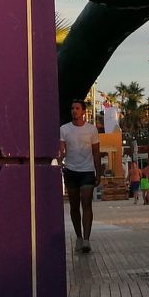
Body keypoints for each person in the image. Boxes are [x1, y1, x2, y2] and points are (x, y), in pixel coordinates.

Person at [58, 100, 103, 252]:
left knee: (87, 204)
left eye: (77, 108)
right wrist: (60, 161)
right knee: (74, 206)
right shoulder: (64, 129)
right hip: (71, 170)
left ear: (83, 111)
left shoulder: (92, 130)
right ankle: (78, 236)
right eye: (72, 108)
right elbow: (62, 149)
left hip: (87, 171)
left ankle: (86, 240)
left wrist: (98, 172)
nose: (74, 111)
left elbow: (96, 152)